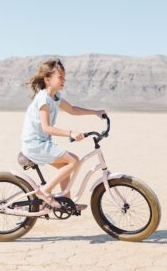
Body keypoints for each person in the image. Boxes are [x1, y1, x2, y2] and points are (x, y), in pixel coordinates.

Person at [21, 57, 107, 211]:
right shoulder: (43, 99)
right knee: (74, 161)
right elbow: (46, 128)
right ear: (47, 79)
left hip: (42, 143)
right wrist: (71, 133)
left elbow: (72, 109)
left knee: (66, 165)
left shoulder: (55, 97)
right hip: (35, 144)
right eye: (60, 77)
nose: (63, 80)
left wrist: (95, 112)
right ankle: (44, 191)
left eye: (64, 77)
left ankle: (66, 202)